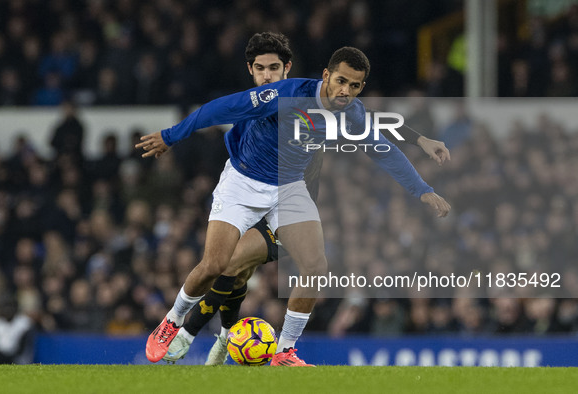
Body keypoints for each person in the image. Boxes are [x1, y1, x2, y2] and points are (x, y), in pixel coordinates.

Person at [138, 46, 451, 366]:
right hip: (244, 182)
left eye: (355, 86)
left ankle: (284, 351)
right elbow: (223, 108)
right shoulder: (288, 94)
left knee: (316, 268)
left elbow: (381, 147)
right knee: (216, 265)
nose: (346, 91)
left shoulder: (352, 112)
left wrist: (422, 190)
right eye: (341, 81)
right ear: (327, 75)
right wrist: (171, 135)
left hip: (288, 188)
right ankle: (172, 323)